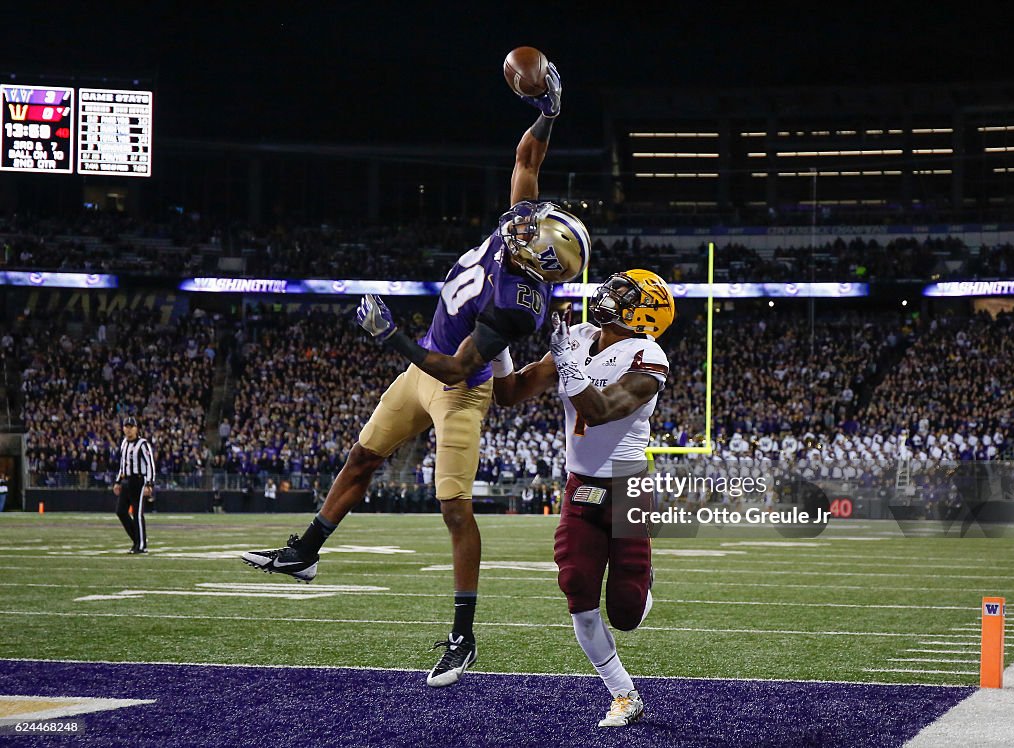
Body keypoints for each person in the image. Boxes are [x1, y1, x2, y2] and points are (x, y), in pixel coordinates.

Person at [242, 62, 591, 688]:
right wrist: (550, 112)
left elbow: (458, 367)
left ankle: (463, 637)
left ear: (541, 260)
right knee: (360, 459)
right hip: (426, 361)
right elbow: (526, 163)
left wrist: (389, 336)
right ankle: (305, 554)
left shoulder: (519, 301)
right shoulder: (521, 237)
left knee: (454, 509)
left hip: (458, 386)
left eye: (534, 230)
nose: (523, 221)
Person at [492, 269, 675, 728]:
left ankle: (644, 579)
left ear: (646, 315)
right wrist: (497, 342)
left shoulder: (647, 354)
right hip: (580, 486)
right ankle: (623, 693)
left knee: (627, 612)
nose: (611, 295)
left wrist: (567, 361)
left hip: (626, 490)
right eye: (616, 287)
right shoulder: (579, 335)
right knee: (577, 590)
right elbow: (510, 393)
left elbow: (601, 410)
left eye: (625, 294)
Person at [113, 416, 156, 554]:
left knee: (137, 513)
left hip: (138, 480)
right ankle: (138, 540)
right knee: (120, 511)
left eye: (131, 427)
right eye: (126, 426)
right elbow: (123, 465)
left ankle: (142, 545)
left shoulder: (143, 444)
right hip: (126, 481)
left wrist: (150, 484)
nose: (128, 429)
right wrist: (118, 481)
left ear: (136, 429)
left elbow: (150, 465)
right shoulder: (124, 443)